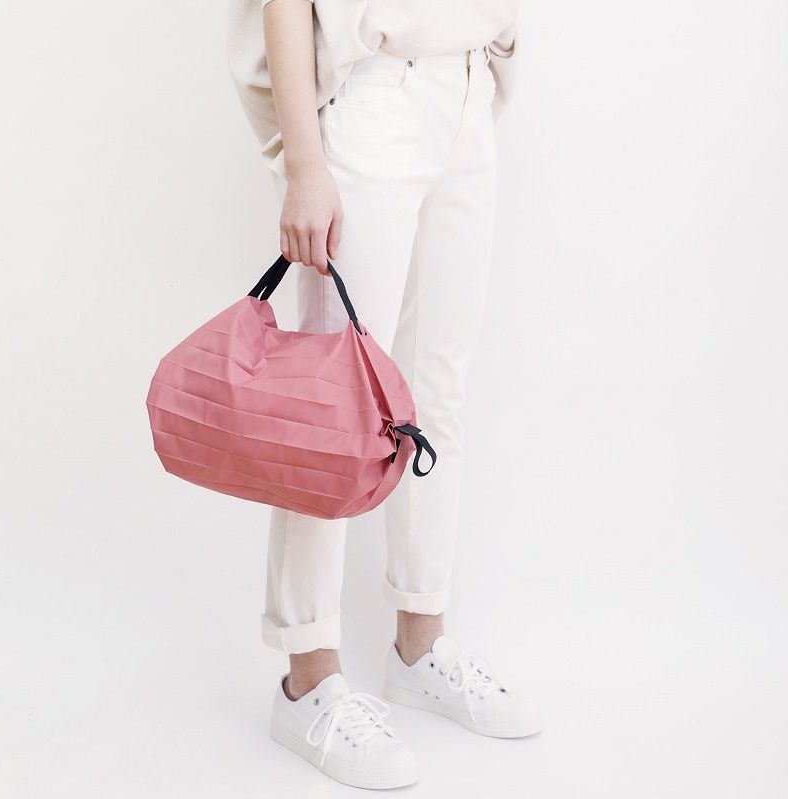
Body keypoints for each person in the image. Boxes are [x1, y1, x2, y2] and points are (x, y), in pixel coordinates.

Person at [228, 0, 541, 788]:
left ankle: (420, 646)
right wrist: (306, 164)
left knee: (437, 394)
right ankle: (307, 677)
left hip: (467, 89)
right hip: (375, 97)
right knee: (333, 409)